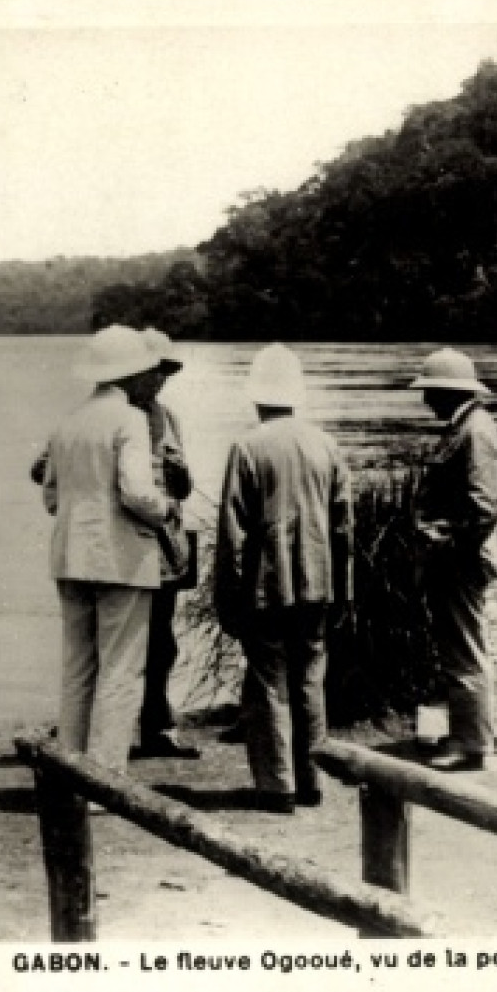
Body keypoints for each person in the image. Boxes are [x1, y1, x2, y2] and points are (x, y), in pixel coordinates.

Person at [214, 344, 353, 813]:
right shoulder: (326, 445)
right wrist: (345, 590)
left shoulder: (248, 447)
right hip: (318, 583)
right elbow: (343, 528)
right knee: (311, 678)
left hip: (265, 586)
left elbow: (232, 532)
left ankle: (277, 785)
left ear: (257, 397)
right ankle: (314, 778)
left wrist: (227, 595)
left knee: (269, 680)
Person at [41, 325, 176, 769]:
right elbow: (137, 492)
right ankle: (106, 781)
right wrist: (167, 507)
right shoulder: (130, 419)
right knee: (120, 671)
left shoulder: (67, 422)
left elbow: (51, 497)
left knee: (78, 668)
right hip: (120, 558)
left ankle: (70, 772)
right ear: (133, 375)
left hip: (69, 555)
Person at [409, 348, 497, 772]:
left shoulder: (476, 431)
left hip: (463, 559)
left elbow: (487, 506)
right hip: (460, 555)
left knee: (464, 649)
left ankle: (470, 744)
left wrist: (444, 539)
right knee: (465, 646)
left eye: (430, 390)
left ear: (449, 391)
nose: (425, 399)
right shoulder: (465, 426)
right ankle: (476, 731)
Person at [131, 328, 201, 760]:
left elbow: (184, 487)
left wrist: (180, 474)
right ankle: (118, 729)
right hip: (129, 547)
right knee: (125, 643)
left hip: (167, 549)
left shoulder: (168, 417)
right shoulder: (113, 417)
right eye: (154, 372)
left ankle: (157, 726)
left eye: (166, 373)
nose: (160, 380)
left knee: (162, 642)